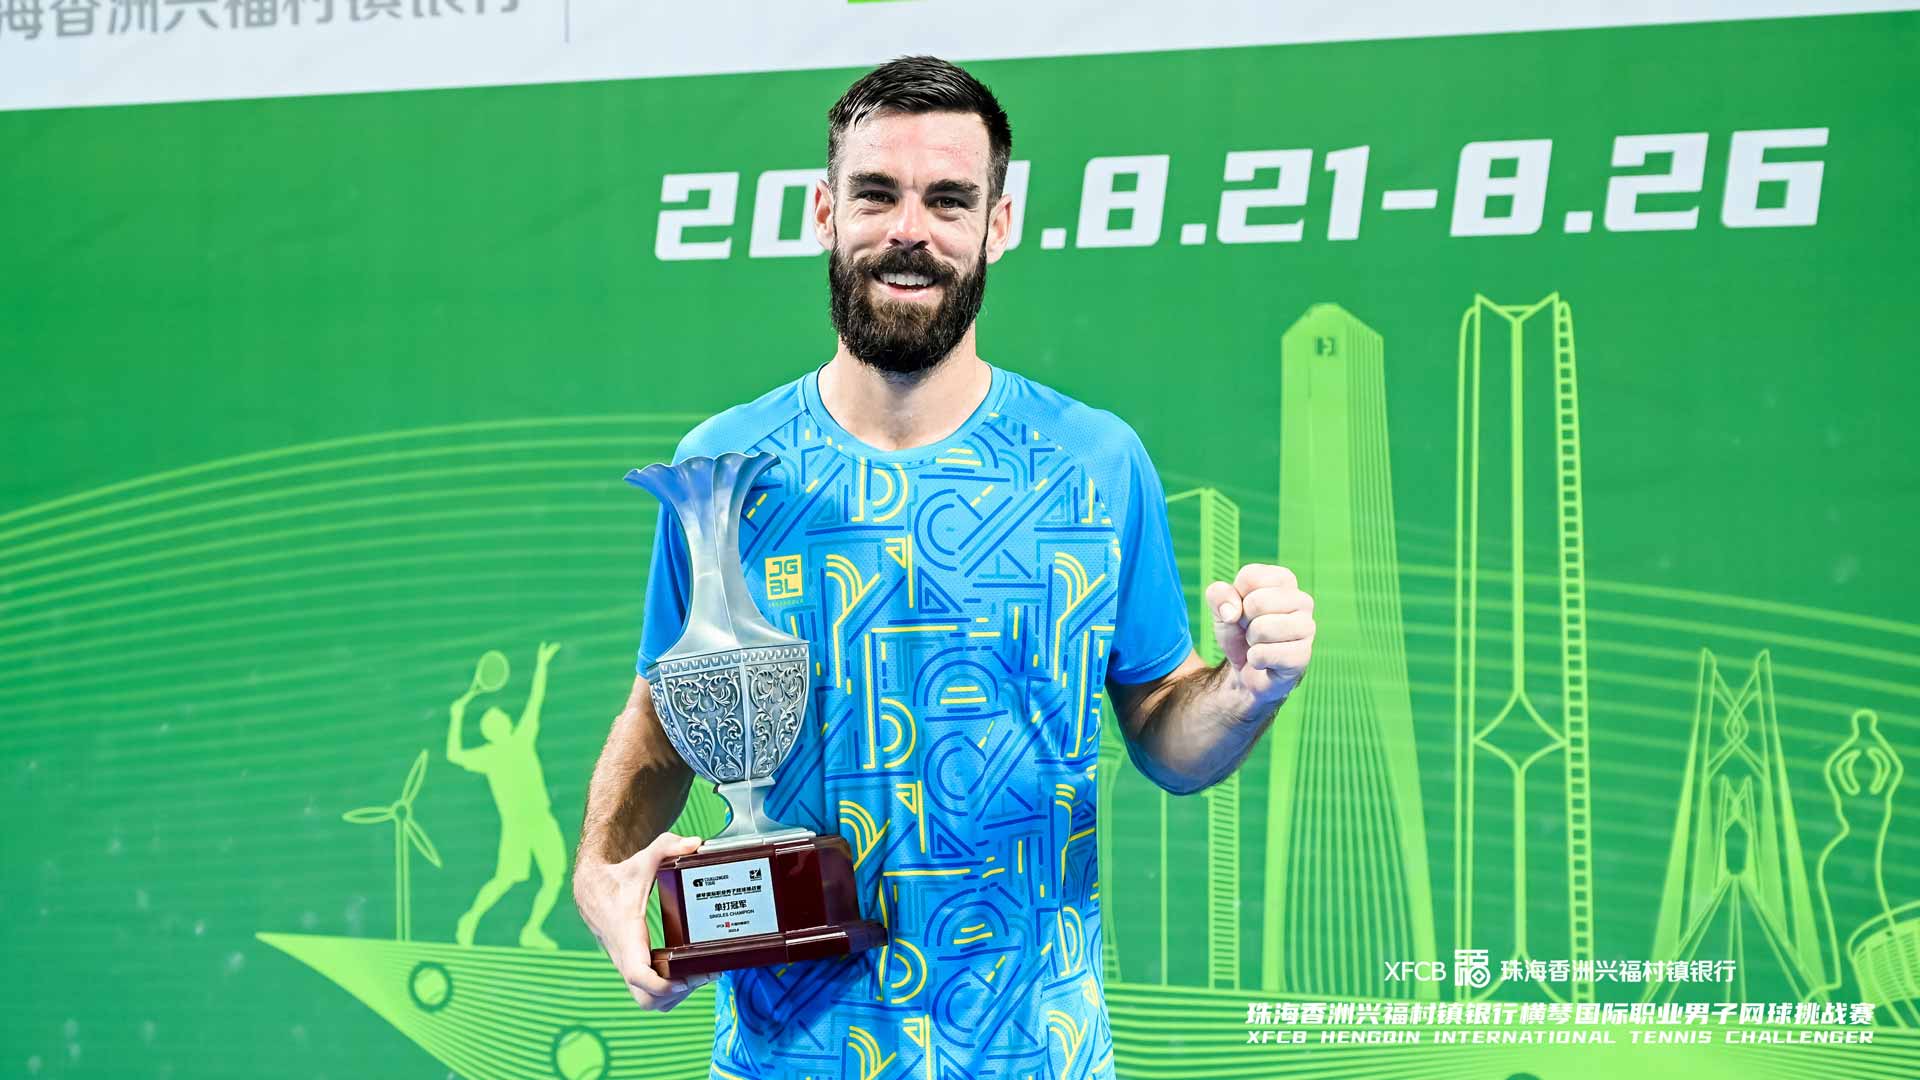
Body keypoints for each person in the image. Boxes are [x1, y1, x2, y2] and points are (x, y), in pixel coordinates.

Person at [573, 56, 1315, 1078]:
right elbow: (668, 720)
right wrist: (601, 879)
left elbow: (1164, 733)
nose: (909, 230)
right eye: (877, 194)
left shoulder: (1095, 461)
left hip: (1038, 1055)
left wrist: (1244, 691)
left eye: (949, 200)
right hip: (786, 1059)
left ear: (997, 225)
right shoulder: (723, 469)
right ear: (825, 212)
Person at [448, 640, 568, 950]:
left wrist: (541, 666)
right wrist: (455, 715)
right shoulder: (488, 756)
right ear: (491, 730)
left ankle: (532, 930)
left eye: (503, 717)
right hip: (517, 826)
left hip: (542, 820)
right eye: (497, 719)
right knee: (506, 879)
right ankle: (469, 919)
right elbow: (454, 754)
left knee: (554, 877)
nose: (504, 719)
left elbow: (535, 701)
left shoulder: (522, 738)